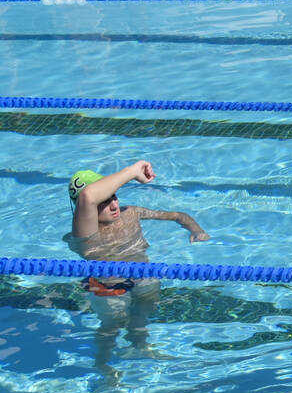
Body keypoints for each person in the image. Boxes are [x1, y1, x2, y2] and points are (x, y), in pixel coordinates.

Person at [65, 161, 209, 378]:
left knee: (143, 316)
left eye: (114, 196)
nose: (114, 205)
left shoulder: (130, 213)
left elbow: (177, 215)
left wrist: (196, 230)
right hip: (108, 288)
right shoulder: (84, 234)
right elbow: (87, 197)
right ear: (85, 210)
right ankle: (104, 367)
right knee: (111, 328)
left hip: (144, 278)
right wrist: (133, 171)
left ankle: (140, 347)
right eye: (104, 202)